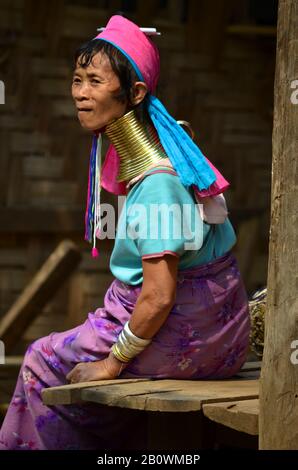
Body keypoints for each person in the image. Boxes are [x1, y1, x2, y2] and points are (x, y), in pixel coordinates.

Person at [0, 15, 250, 450]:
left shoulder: (157, 184)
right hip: (221, 333)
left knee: (40, 358)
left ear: (135, 93)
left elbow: (158, 295)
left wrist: (112, 364)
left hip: (189, 339)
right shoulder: (176, 163)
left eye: (95, 81)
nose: (80, 93)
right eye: (77, 79)